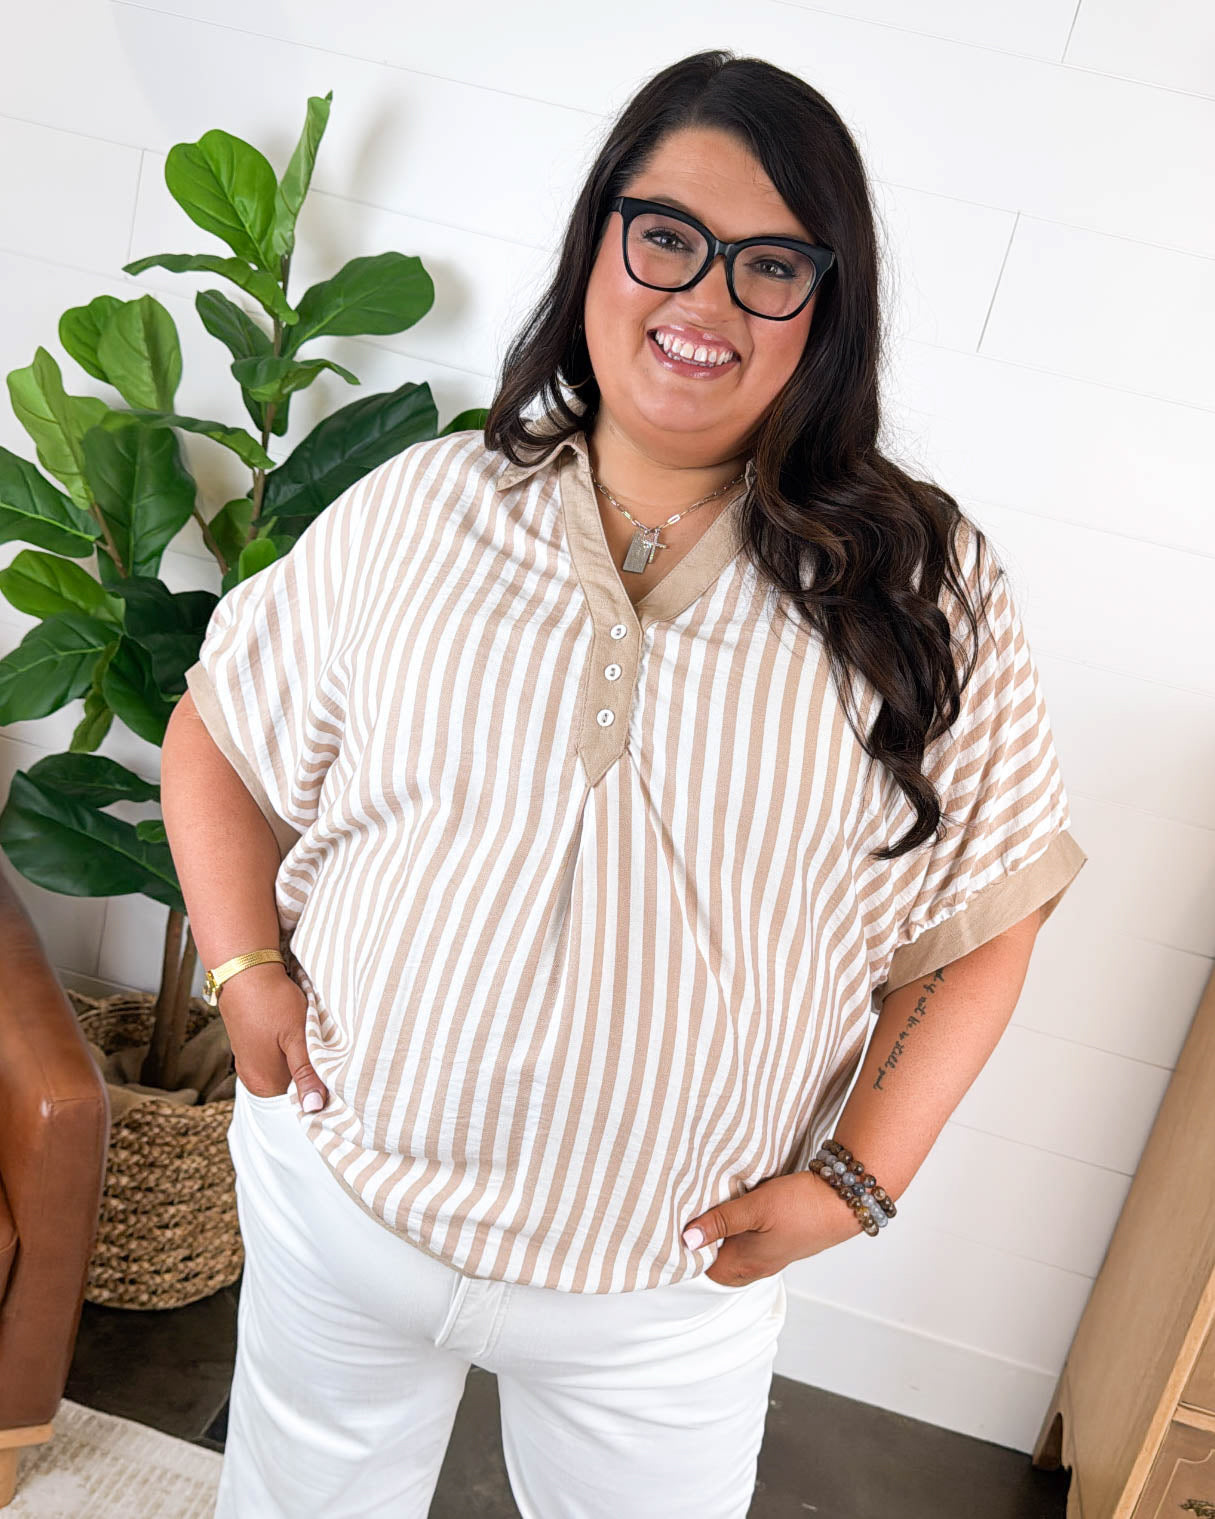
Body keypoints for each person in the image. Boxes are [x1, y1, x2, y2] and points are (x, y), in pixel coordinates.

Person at [161, 48, 1087, 1519]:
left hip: (666, 1285)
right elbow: (218, 733)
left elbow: (988, 912)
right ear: (600, 240)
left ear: (827, 306)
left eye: (770, 265)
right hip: (344, 1200)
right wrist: (243, 970)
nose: (705, 300)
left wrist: (858, 1179)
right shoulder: (428, 504)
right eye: (668, 236)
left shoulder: (921, 588)